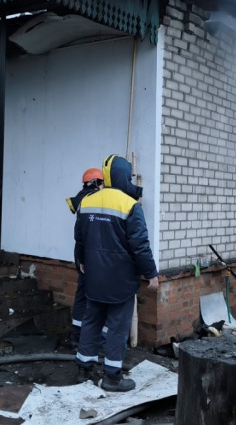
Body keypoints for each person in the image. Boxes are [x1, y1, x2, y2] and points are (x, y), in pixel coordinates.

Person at [74, 154, 159, 392]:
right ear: (123, 176)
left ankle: (83, 370)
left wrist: (81, 261)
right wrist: (151, 273)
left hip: (94, 278)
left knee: (91, 322)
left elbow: (79, 238)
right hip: (121, 281)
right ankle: (112, 378)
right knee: (117, 328)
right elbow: (140, 246)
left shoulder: (86, 202)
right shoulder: (130, 206)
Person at [65, 168, 105, 347]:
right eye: (102, 183)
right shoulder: (92, 199)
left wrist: (80, 258)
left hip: (83, 255)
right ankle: (94, 339)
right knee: (97, 296)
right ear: (96, 183)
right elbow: (83, 233)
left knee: (82, 295)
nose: (104, 187)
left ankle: (77, 336)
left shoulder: (81, 199)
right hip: (91, 256)